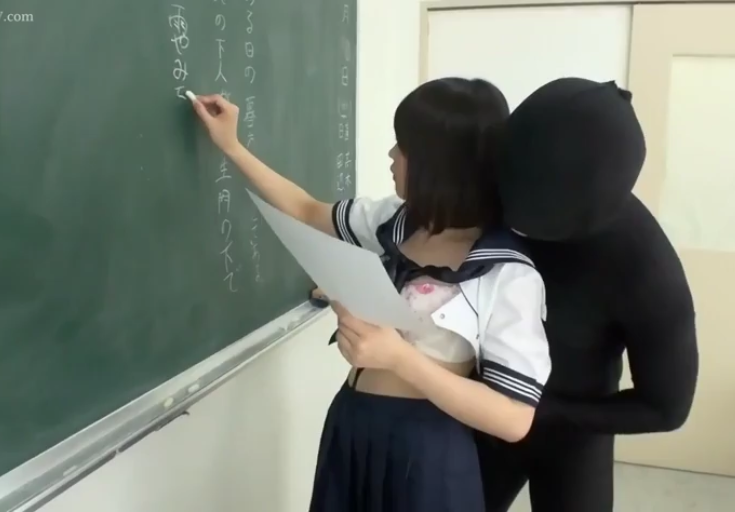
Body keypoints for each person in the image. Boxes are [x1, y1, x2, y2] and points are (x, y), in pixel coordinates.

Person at [190, 78, 552, 512]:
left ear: (440, 165)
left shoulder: (506, 271)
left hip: (427, 453)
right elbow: (306, 209)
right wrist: (232, 147)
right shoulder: (394, 222)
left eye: (405, 147)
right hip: (352, 426)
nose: (392, 155)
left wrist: (398, 358)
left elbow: (515, 418)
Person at [475, 78, 699, 511]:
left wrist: (545, 412)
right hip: (484, 411)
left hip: (573, 431)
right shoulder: (495, 184)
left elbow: (667, 408)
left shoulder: (646, 269)